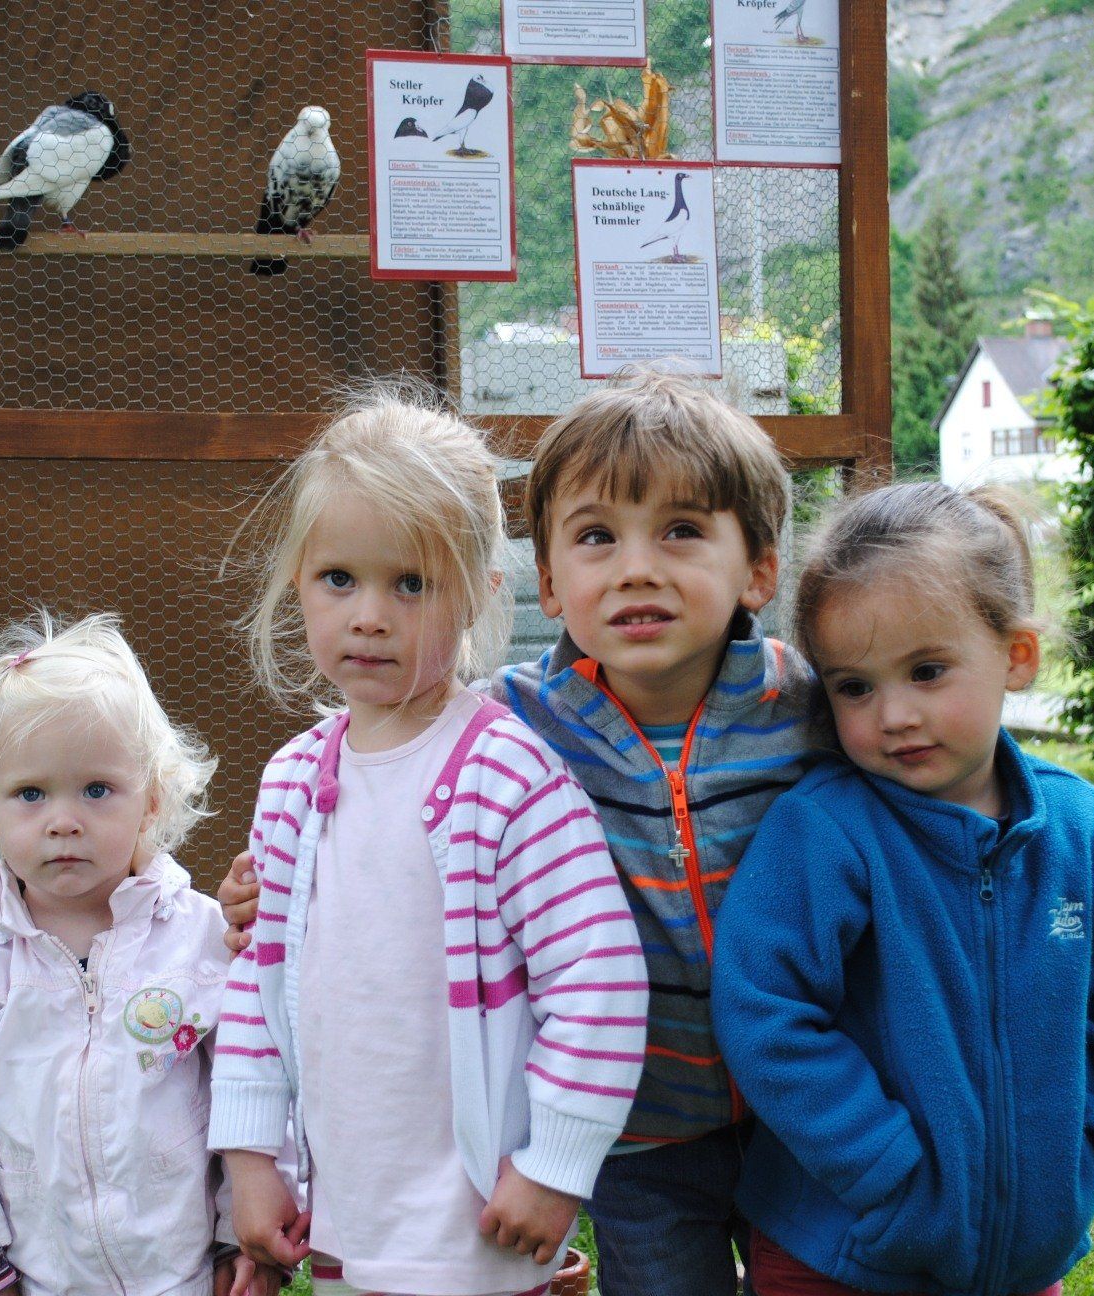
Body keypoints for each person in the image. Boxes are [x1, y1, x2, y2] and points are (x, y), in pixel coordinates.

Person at [221, 366, 829, 1296]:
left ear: (759, 567)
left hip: (802, 1106)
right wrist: (268, 900)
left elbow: (914, 788)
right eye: (597, 537)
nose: (636, 567)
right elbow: (338, 879)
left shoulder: (808, 710)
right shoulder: (514, 725)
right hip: (639, 1130)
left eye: (680, 530)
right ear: (545, 581)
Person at [209, 382, 649, 1296]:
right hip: (345, 1218)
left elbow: (597, 978)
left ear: (481, 595)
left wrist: (554, 1166)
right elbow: (257, 983)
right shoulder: (292, 782)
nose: (369, 614)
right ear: (298, 581)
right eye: (339, 578)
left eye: (411, 583)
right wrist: (251, 1160)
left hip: (480, 1220)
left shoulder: (507, 776)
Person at [713, 482, 1094, 1296]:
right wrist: (888, 1175)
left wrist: (1081, 1147)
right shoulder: (824, 832)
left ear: (1017, 656)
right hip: (838, 1251)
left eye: (927, 671)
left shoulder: (1084, 830)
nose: (893, 714)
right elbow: (764, 1011)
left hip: (1024, 1256)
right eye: (854, 686)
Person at [0, 613, 274, 1296]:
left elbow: (251, 1088)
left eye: (96, 790)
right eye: (30, 794)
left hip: (184, 1274)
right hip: (36, 1277)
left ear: (152, 799)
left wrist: (237, 1235)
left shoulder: (202, 940)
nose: (63, 821)